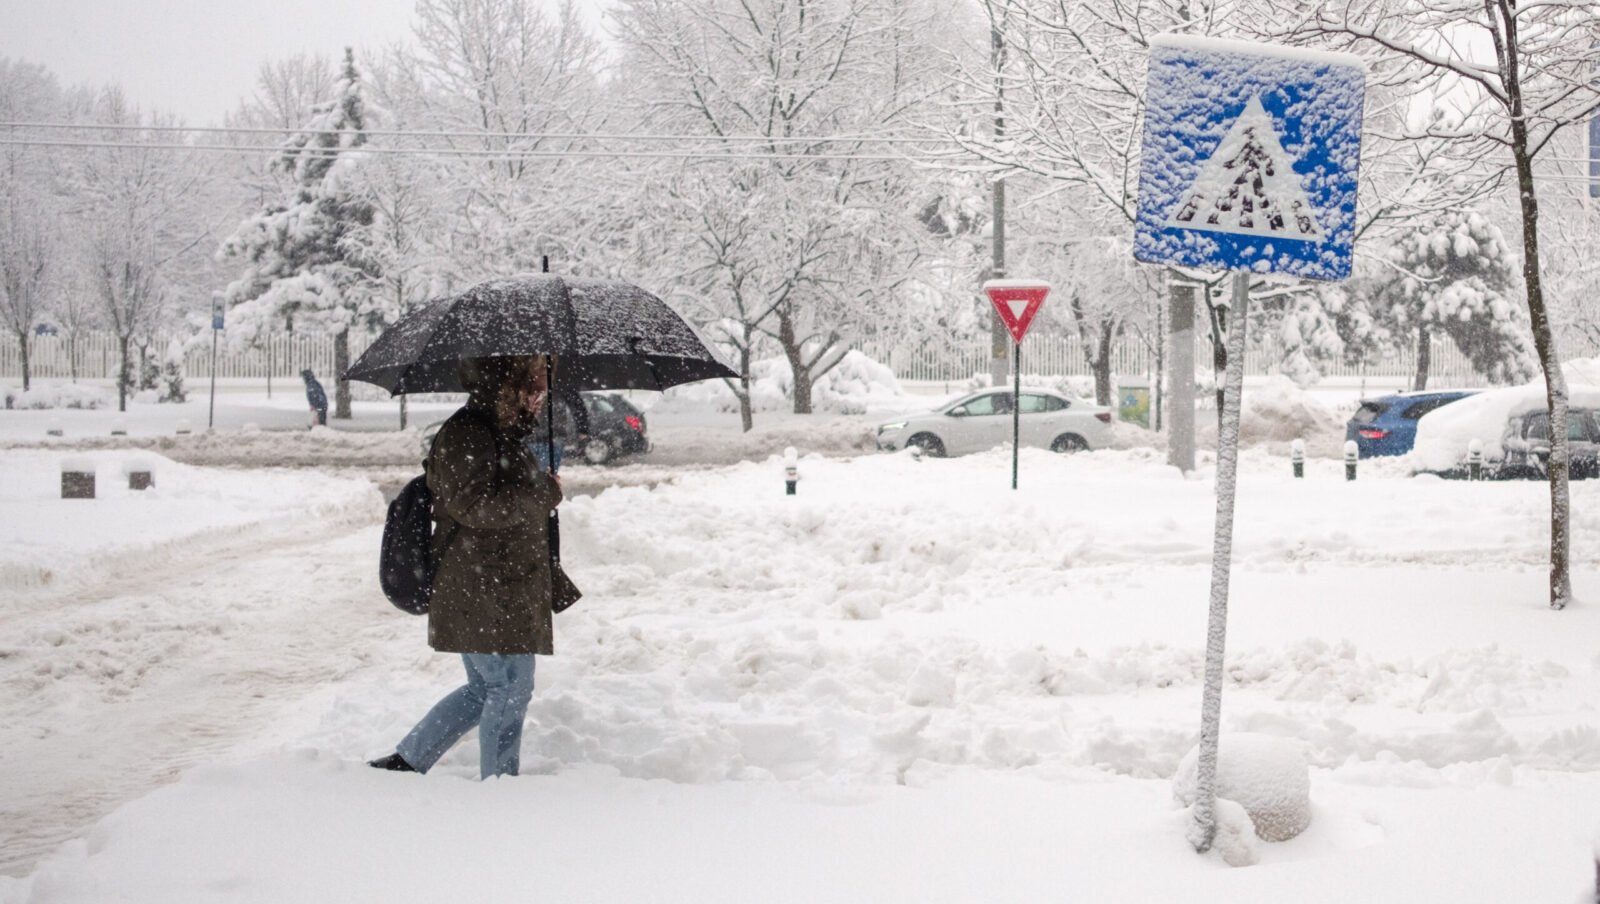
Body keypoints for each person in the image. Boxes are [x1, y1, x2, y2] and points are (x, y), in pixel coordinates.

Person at [368, 355, 567, 779]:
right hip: (481, 586)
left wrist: (539, 486)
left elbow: (500, 497)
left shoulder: (500, 432)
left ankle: (409, 760)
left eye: (543, 385)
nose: (540, 394)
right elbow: (473, 506)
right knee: (509, 688)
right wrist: (541, 495)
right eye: (533, 383)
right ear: (508, 383)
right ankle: (499, 784)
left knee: (487, 688)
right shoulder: (470, 434)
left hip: (500, 584)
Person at [527, 368, 589, 474]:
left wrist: (582, 427)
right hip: (538, 436)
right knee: (540, 475)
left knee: (540, 475)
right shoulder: (559, 380)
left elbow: (577, 404)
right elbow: (577, 404)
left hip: (548, 436)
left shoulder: (558, 381)